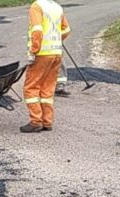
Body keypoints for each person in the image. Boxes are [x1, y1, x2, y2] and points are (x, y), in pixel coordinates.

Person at [21, 0, 71, 133]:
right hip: (56, 54)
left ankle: (36, 121)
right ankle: (47, 122)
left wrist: (33, 50)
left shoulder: (36, 6)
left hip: (42, 54)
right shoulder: (56, 7)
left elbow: (37, 30)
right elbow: (66, 29)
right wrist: (55, 39)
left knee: (31, 87)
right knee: (47, 88)